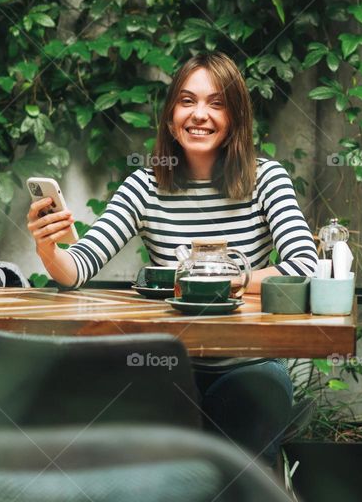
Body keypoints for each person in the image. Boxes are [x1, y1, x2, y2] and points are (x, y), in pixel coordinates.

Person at [26, 52, 318, 464]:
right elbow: (77, 269)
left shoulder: (265, 179)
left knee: (250, 421)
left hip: (250, 364)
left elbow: (305, 267)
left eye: (216, 103)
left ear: (235, 117)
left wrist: (225, 277)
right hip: (167, 362)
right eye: (187, 101)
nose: (200, 114)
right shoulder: (145, 185)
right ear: (169, 118)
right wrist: (47, 247)